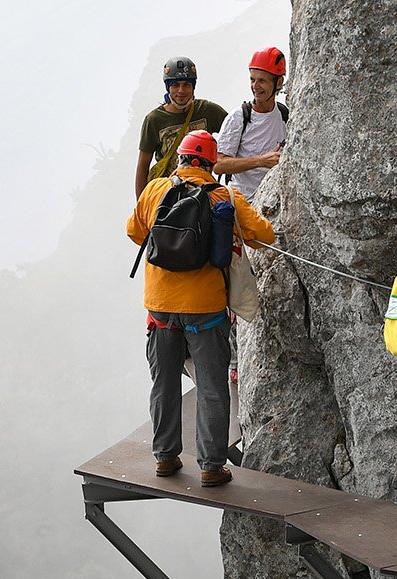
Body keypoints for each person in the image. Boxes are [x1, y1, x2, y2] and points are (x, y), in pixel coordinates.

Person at [126, 130, 275, 487]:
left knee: (163, 384)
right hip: (205, 311)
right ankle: (210, 465)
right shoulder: (224, 196)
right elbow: (264, 235)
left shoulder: (155, 190)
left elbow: (134, 231)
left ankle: (165, 457)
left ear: (180, 159)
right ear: (211, 163)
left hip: (160, 310)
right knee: (212, 387)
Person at [135, 57, 230, 196]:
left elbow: (234, 132)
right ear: (168, 87)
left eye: (186, 84)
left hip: (203, 191)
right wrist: (142, 206)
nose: (181, 90)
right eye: (175, 85)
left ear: (193, 86)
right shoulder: (154, 120)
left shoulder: (208, 111)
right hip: (167, 195)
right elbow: (143, 166)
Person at [213, 47, 288, 201]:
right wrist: (260, 161)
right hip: (243, 202)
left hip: (275, 200)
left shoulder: (284, 115)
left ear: (279, 82)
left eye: (262, 80)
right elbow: (218, 164)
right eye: (252, 79)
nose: (255, 86)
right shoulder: (239, 117)